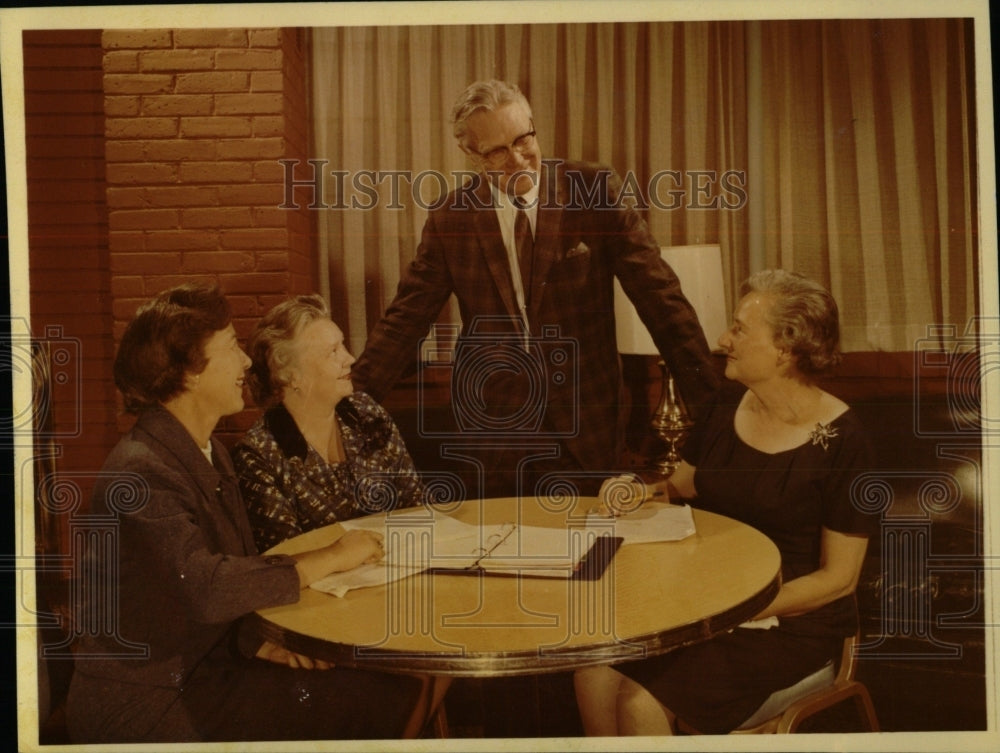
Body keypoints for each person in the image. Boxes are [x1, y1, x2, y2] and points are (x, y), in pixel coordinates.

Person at [65, 284, 432, 743]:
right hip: (149, 703)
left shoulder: (209, 452)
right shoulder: (141, 471)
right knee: (378, 696)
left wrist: (257, 642)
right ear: (190, 373)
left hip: (207, 671)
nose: (245, 362)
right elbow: (206, 586)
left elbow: (228, 571)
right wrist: (333, 555)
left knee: (390, 686)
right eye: (231, 347)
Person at [351, 79, 719, 499]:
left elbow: (661, 299)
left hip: (588, 425)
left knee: (597, 555)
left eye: (523, 139)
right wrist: (344, 410)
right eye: (497, 151)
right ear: (471, 155)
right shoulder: (451, 218)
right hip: (494, 434)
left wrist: (715, 414)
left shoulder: (593, 190)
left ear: (532, 126)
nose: (518, 159)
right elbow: (404, 324)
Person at [573, 270, 879, 735]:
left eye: (739, 328)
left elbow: (839, 580)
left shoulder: (845, 441)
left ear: (785, 346)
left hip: (790, 627)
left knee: (640, 701)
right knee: (593, 669)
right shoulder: (727, 403)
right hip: (711, 609)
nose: (722, 339)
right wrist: (639, 490)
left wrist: (737, 608)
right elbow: (686, 483)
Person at [233, 294, 425, 553]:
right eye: (333, 351)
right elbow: (284, 563)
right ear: (290, 374)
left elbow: (416, 506)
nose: (350, 358)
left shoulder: (366, 413)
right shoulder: (259, 455)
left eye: (343, 346)